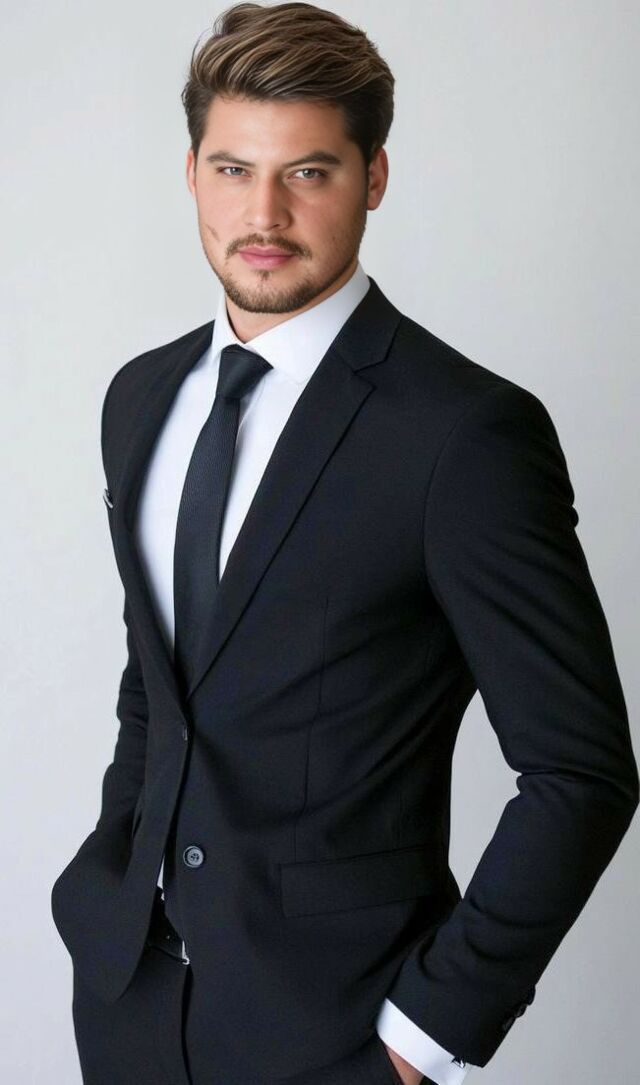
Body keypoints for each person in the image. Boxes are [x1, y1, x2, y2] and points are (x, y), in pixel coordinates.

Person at [51, 4, 639, 1084]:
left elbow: (580, 769)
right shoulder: (140, 399)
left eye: (309, 172)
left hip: (337, 1031)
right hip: (130, 1003)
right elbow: (159, 686)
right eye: (233, 169)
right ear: (191, 173)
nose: (263, 213)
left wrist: (422, 1036)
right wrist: (107, 885)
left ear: (374, 177)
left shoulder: (462, 435)